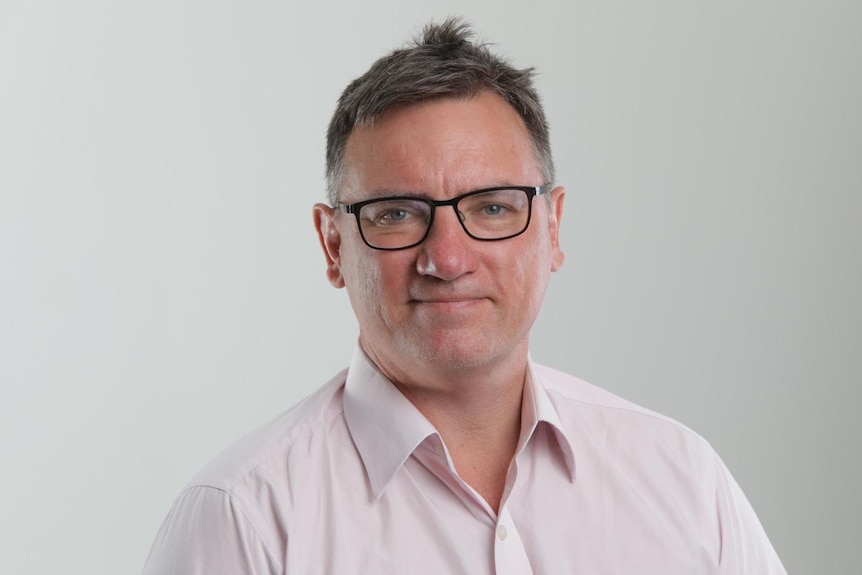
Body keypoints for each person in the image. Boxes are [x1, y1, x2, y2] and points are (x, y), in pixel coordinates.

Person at [141, 17, 786, 574]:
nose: (446, 258)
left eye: (493, 207)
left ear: (552, 228)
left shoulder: (682, 481)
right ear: (333, 245)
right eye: (396, 214)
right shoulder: (244, 518)